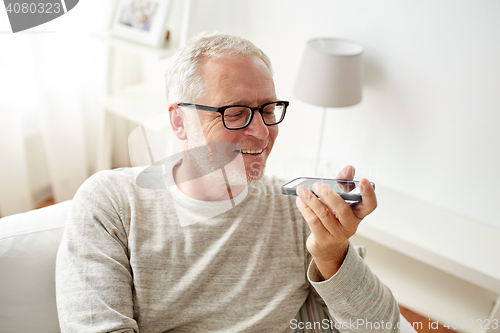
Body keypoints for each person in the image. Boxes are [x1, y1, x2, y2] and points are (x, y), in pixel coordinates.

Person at [56, 32, 400, 332]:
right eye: (235, 113)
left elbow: (384, 326)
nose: (263, 133)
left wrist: (333, 255)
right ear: (179, 122)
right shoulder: (112, 204)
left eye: (268, 110)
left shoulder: (297, 212)